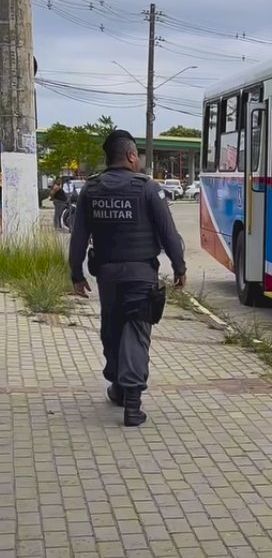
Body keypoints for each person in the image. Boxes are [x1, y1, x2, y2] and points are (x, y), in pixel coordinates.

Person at [69, 130, 187, 427]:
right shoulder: (147, 188)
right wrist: (180, 267)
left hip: (107, 276)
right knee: (136, 332)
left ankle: (119, 387)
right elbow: (168, 233)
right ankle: (131, 403)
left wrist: (76, 274)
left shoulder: (91, 189)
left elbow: (78, 237)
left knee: (112, 328)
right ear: (132, 156)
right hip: (141, 275)